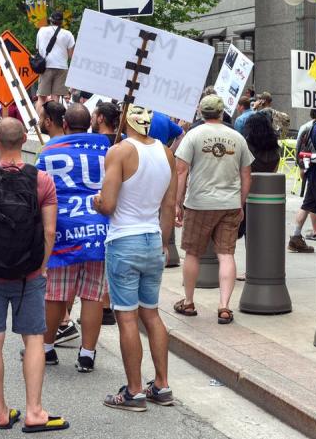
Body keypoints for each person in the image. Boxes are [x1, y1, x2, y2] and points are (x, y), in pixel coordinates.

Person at [0, 118, 69, 432]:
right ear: (24, 139)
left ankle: (1, 412)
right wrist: (42, 266)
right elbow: (49, 231)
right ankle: (34, 411)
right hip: (29, 273)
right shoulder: (42, 180)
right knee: (33, 338)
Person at [92, 105, 177, 411]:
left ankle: (134, 391)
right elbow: (169, 206)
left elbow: (109, 204)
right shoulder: (166, 153)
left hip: (124, 241)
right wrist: (165, 243)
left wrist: (96, 200)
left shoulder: (119, 152)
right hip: (153, 239)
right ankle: (162, 385)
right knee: (151, 314)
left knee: (127, 318)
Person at [35, 104, 109, 373]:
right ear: (89, 124)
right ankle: (87, 353)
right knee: (93, 295)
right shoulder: (107, 149)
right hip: (98, 230)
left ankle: (47, 348)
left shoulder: (50, 151)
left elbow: (38, 189)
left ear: (64, 124)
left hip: (63, 230)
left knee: (54, 294)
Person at [174, 95, 252, 324]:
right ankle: (224, 306)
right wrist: (241, 202)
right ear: (221, 112)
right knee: (226, 254)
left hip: (199, 203)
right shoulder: (237, 138)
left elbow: (181, 171)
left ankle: (188, 302)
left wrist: (177, 203)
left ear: (201, 113)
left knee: (192, 253)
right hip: (229, 203)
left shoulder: (193, 136)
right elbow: (246, 175)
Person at [293, 109, 316, 246]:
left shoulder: (309, 126)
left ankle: (296, 236)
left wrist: (301, 167)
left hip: (312, 171)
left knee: (307, 205)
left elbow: (298, 149)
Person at [36, 10, 76, 107]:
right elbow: (72, 55)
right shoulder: (68, 34)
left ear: (50, 20)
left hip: (46, 67)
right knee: (55, 98)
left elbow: (38, 49)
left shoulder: (41, 31)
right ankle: (54, 120)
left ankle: (40, 120)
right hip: (61, 67)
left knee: (41, 98)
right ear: (61, 22)